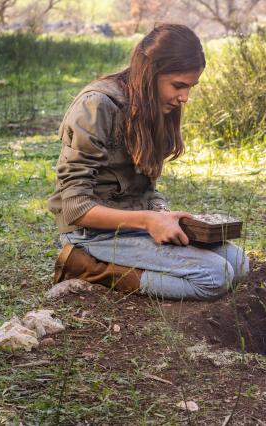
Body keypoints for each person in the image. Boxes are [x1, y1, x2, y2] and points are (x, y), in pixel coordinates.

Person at [47, 24, 249, 300]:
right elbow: (74, 208)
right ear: (150, 73)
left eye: (190, 87)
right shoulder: (95, 107)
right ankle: (84, 267)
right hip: (92, 234)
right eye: (178, 85)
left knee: (239, 263)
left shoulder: (155, 106)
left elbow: (146, 188)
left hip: (134, 226)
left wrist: (163, 214)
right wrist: (148, 221)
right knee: (215, 276)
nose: (185, 98)